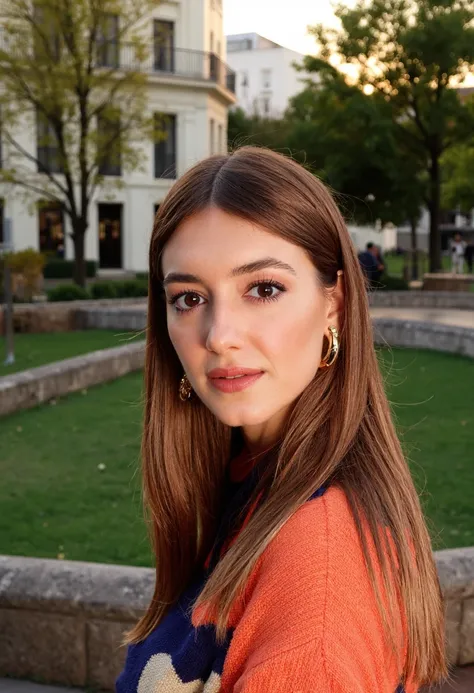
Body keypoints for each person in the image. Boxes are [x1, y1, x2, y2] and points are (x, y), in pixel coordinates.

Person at [117, 147, 447, 692]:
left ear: (334, 302)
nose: (219, 334)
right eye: (189, 297)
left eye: (263, 289)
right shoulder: (256, 480)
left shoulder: (317, 574)